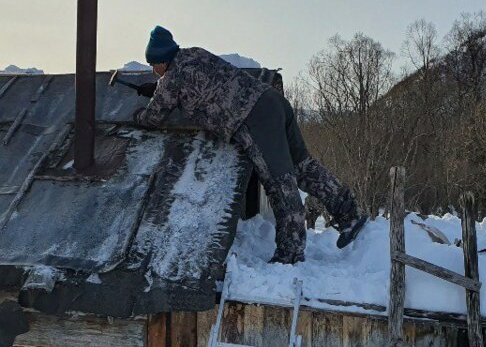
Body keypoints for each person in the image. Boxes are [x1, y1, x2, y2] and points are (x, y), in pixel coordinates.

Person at [132, 25, 367, 264]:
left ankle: (291, 253)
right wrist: (160, 89)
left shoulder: (172, 78)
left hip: (254, 119)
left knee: (279, 182)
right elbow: (204, 84)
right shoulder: (194, 53)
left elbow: (154, 117)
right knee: (302, 166)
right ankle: (349, 213)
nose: (154, 71)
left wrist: (138, 114)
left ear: (161, 60)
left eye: (154, 65)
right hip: (273, 101)